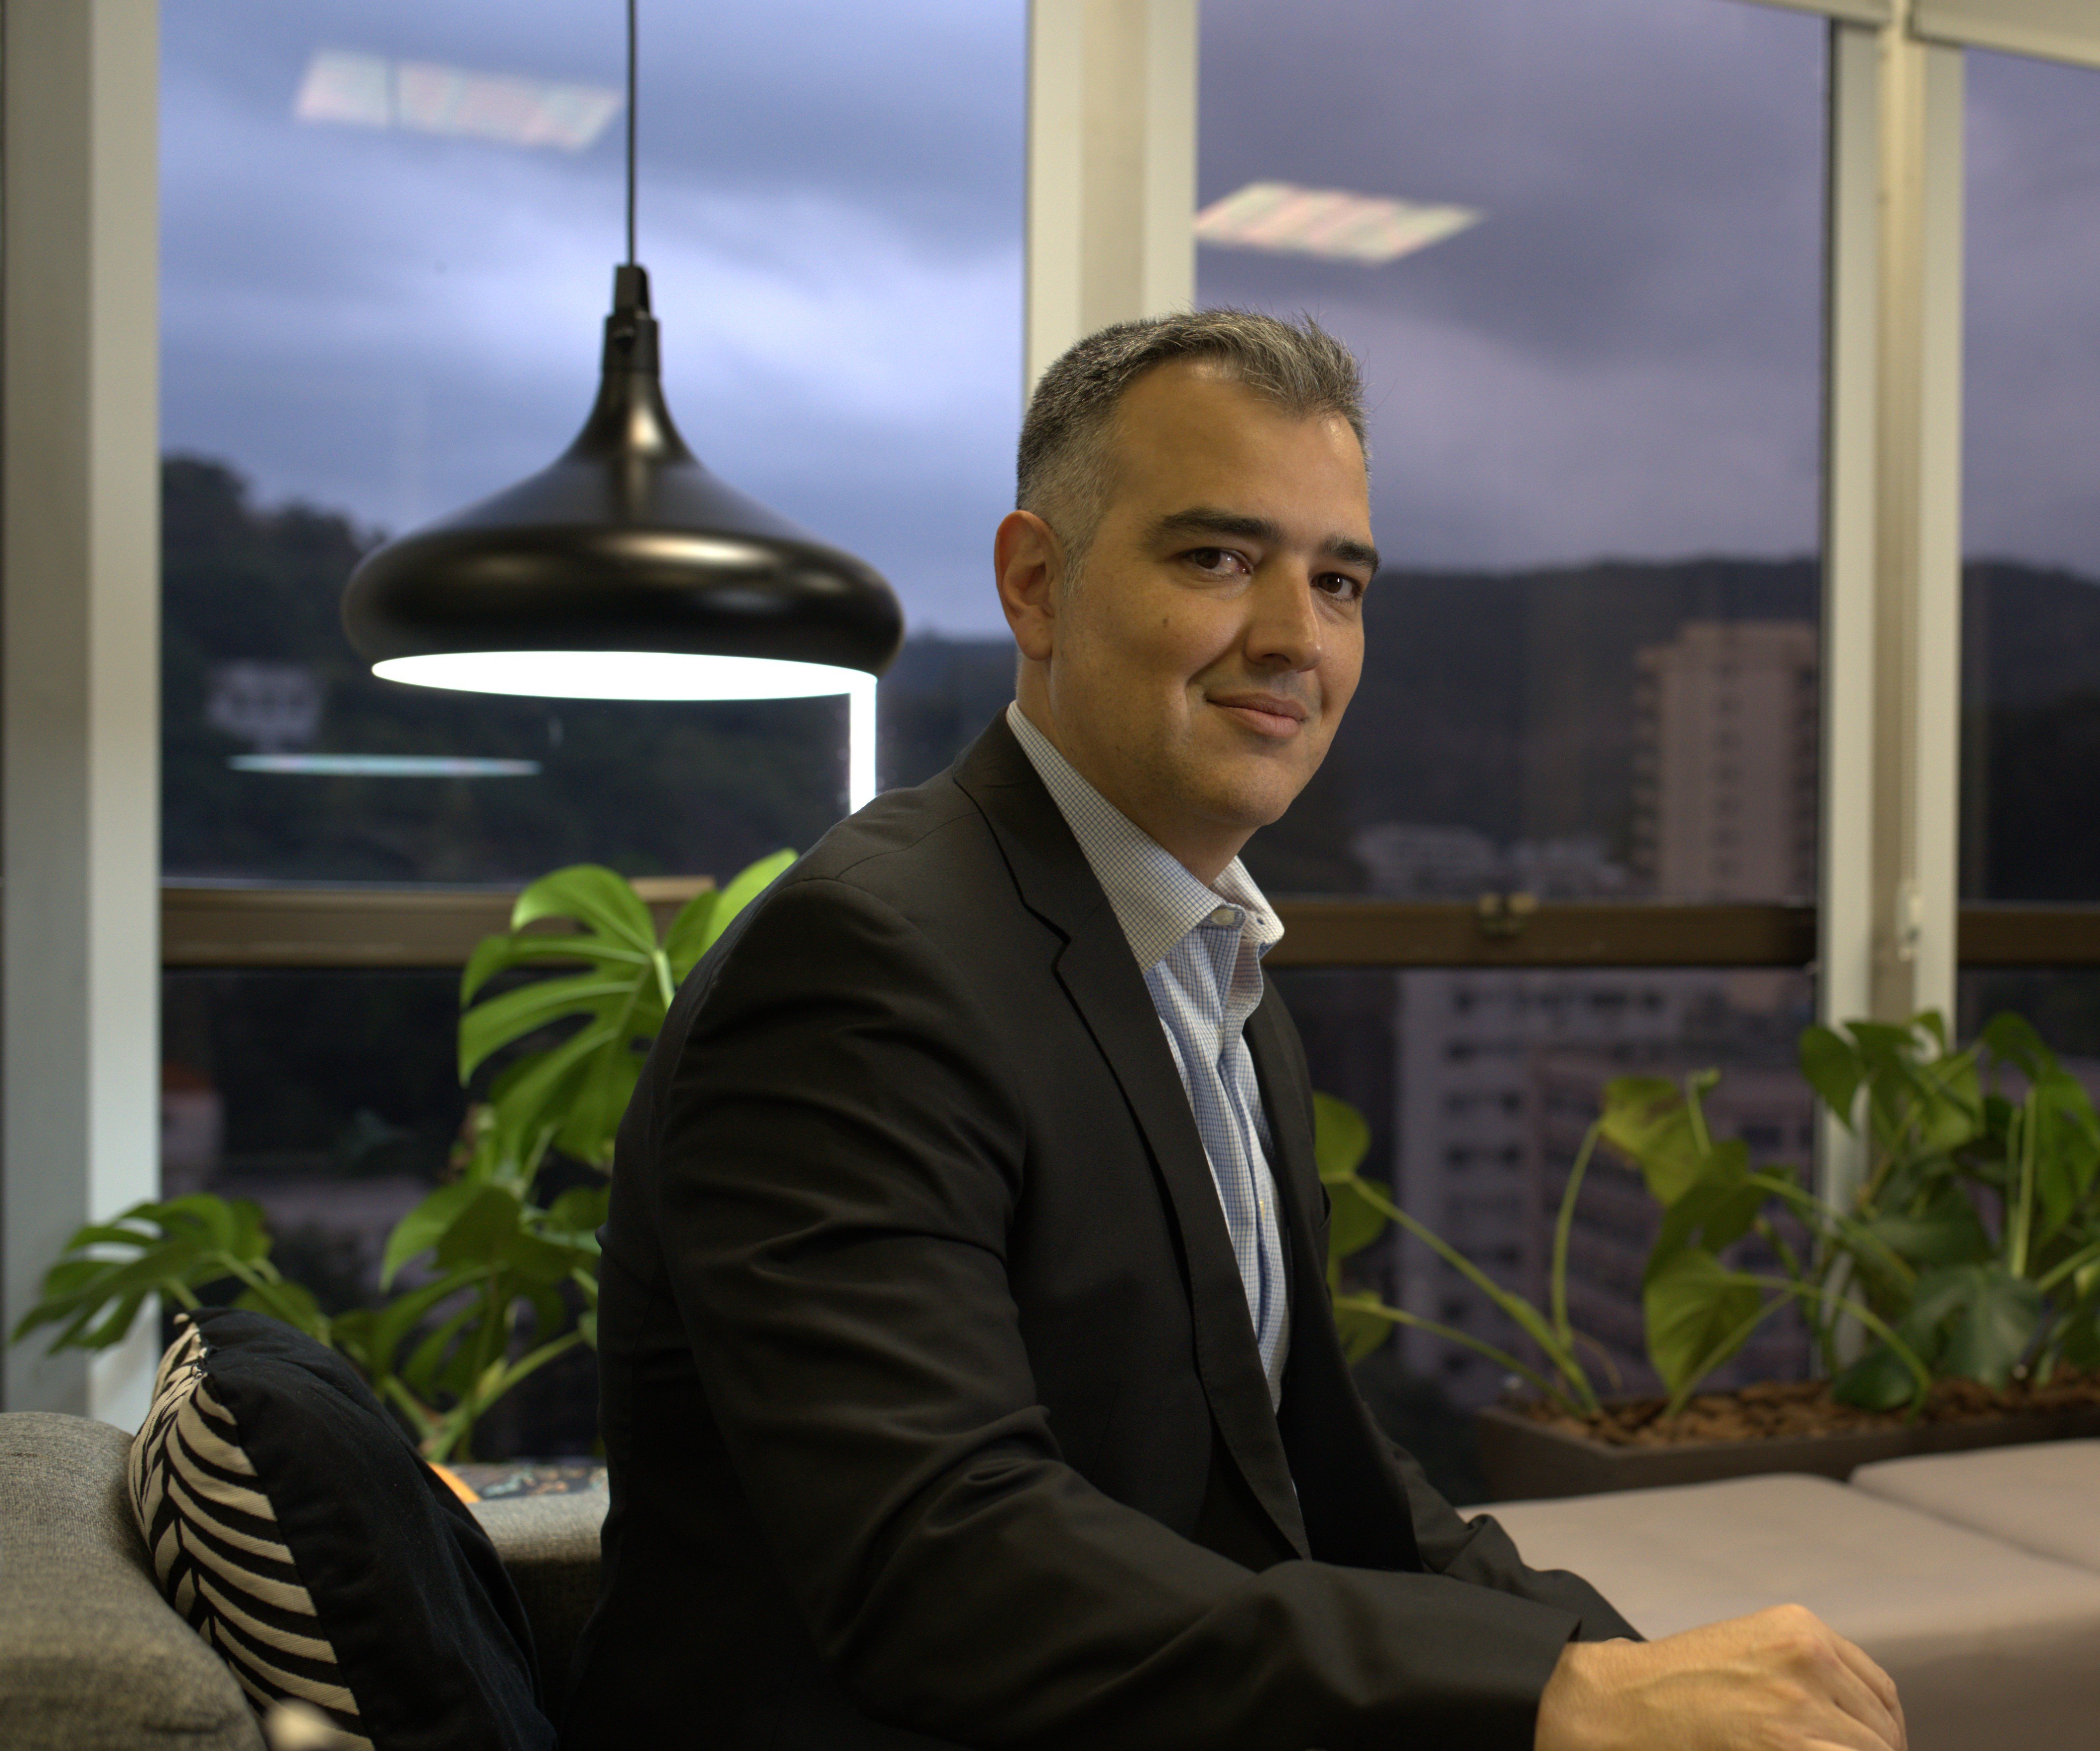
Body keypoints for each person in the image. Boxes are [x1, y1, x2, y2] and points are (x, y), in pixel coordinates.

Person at [564, 310, 1909, 1751]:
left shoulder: (1214, 970)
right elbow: (946, 1565)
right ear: (1037, 584)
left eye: (1339, 582)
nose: (1294, 639)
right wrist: (1549, 1696)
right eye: (1217, 559)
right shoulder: (867, 968)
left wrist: (1626, 1664)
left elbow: (1321, 1472)